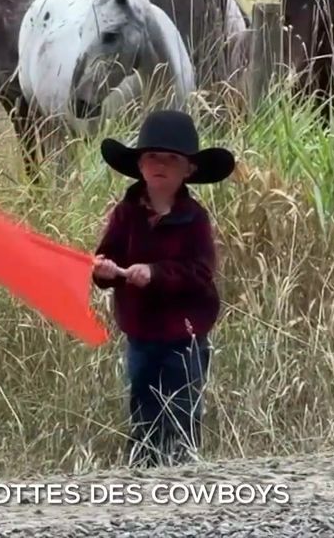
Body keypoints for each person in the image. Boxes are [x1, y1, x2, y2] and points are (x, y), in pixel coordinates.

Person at [91, 109, 235, 468]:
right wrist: (106, 270)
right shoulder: (126, 215)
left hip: (185, 337)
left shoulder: (195, 219)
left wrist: (155, 273)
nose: (160, 164)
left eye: (171, 159)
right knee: (143, 404)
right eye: (152, 156)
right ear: (139, 165)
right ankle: (142, 474)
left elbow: (200, 272)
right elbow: (104, 262)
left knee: (183, 408)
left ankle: (184, 474)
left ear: (189, 170)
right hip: (140, 333)